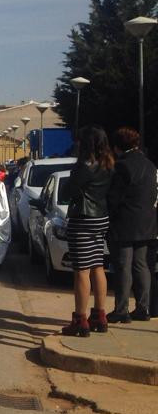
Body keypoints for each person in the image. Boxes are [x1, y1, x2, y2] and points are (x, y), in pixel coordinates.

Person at [61, 126, 116, 336]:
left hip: (83, 219)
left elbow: (67, 192)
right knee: (98, 265)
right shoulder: (108, 164)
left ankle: (80, 320)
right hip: (101, 217)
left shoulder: (84, 166)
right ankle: (100, 315)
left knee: (81, 271)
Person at [106, 128, 157, 323]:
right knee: (141, 265)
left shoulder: (122, 167)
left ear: (117, 147)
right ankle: (143, 308)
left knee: (123, 266)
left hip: (125, 223)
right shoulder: (150, 165)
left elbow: (114, 197)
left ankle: (121, 309)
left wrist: (110, 214)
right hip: (147, 223)